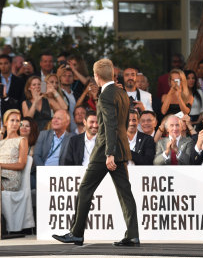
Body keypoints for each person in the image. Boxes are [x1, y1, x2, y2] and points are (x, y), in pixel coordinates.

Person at [53, 58, 140, 247]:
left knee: (85, 189)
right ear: (113, 75)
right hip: (121, 148)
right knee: (125, 193)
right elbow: (123, 124)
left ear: (96, 76)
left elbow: (109, 125)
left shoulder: (107, 95)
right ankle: (132, 235)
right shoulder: (121, 93)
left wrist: (110, 153)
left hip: (105, 151)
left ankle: (76, 233)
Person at [0, 109, 29, 191]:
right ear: (5, 122)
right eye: (12, 120)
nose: (15, 123)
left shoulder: (22, 140)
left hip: (11, 178)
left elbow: (21, 165)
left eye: (18, 121)